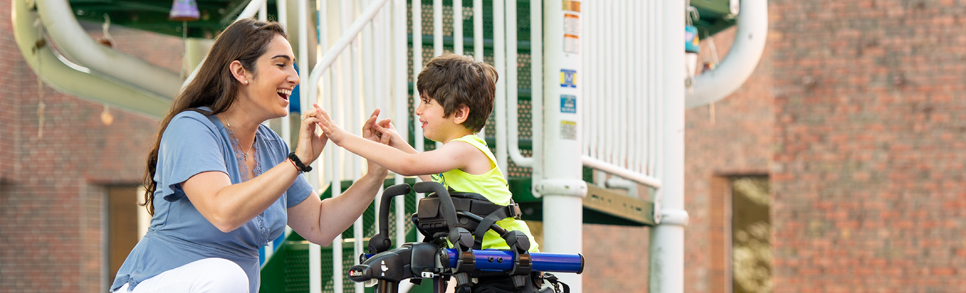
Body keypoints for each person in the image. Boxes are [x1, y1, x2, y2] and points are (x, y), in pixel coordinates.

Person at [110, 18, 388, 293]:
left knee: (228, 277)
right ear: (240, 72)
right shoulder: (191, 128)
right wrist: (296, 163)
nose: (295, 76)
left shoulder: (272, 146)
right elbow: (223, 212)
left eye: (293, 64)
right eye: (281, 64)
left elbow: (319, 225)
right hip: (156, 284)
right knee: (226, 275)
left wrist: (375, 173)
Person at [316, 53, 542, 292]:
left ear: (459, 113)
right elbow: (430, 177)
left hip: (512, 267)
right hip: (488, 269)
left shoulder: (467, 149)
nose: (417, 110)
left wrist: (341, 138)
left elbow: (409, 165)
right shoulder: (456, 154)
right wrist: (397, 142)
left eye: (426, 102)